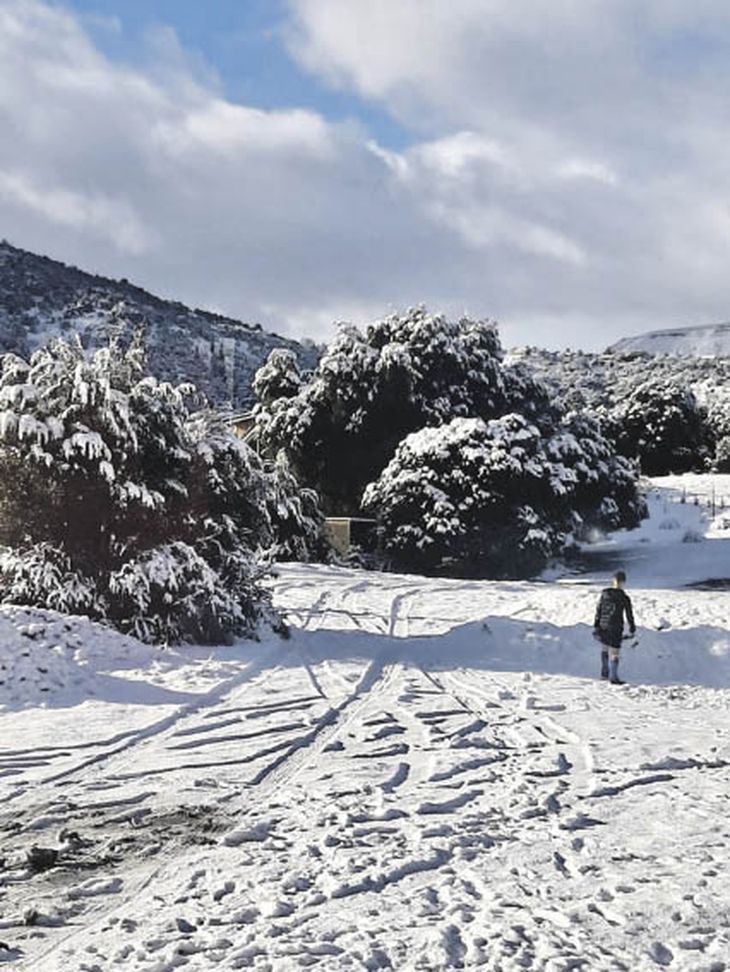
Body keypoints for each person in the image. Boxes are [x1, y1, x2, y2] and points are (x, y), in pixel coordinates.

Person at [593, 570, 635, 684]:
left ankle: (604, 673)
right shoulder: (624, 597)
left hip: (603, 624)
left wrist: (596, 625)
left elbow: (599, 610)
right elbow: (629, 614)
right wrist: (632, 627)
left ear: (613, 580)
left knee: (605, 649)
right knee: (615, 651)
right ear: (623, 582)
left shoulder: (604, 594)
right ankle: (613, 677)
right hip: (616, 626)